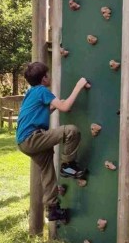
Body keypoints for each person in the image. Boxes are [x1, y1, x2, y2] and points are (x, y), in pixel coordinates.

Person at [16, 61, 90, 223]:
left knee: (47, 171)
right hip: (32, 138)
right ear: (43, 79)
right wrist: (79, 86)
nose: (49, 77)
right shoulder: (42, 91)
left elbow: (36, 112)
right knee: (70, 131)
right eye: (47, 75)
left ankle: (53, 209)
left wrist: (53, 107)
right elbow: (65, 107)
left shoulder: (31, 92)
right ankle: (68, 165)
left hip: (23, 142)